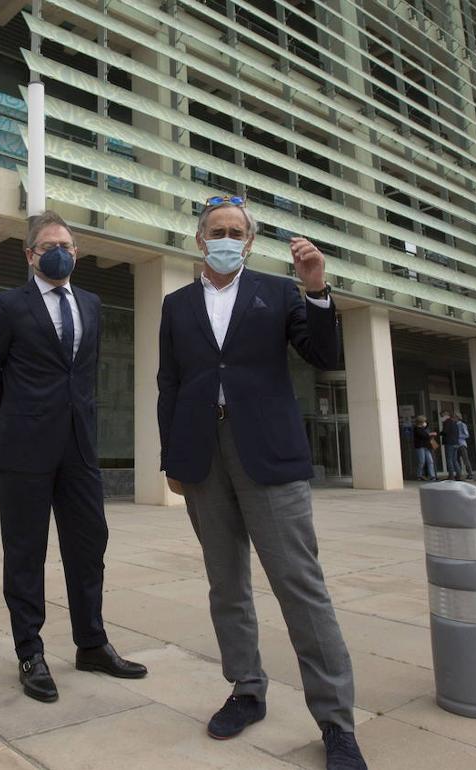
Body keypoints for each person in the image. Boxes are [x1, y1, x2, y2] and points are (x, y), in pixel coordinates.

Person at [157, 196, 368, 770]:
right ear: (200, 240)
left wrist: (317, 289)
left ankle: (336, 723)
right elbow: (169, 384)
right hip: (203, 458)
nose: (226, 238)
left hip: (269, 457)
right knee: (226, 584)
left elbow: (324, 354)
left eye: (236, 231)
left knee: (300, 587)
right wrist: (170, 458)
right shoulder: (176, 305)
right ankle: (246, 690)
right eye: (216, 230)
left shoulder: (277, 293)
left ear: (249, 243)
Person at [0, 210, 146, 704]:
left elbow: (83, 375)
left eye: (68, 245)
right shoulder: (8, 305)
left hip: (80, 448)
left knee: (89, 547)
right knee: (25, 553)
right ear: (30, 255)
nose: (61, 252)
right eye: (51, 244)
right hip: (26, 449)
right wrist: (21, 416)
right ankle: (30, 651)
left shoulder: (91, 303)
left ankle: (91, 643)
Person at [413, 416, 436, 481]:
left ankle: (432, 475)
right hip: (420, 447)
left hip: (426, 447)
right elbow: (423, 435)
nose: (425, 423)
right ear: (421, 422)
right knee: (422, 461)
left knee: (430, 461)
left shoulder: (424, 428)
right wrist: (430, 434)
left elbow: (427, 427)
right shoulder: (417, 429)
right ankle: (419, 475)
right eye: (424, 421)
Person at [440, 411, 461, 481]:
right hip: (456, 443)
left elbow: (445, 432)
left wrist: (439, 433)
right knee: (455, 460)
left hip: (449, 443)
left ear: (446, 415)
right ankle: (458, 475)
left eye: (442, 415)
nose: (441, 417)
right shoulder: (454, 422)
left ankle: (451, 476)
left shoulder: (447, 422)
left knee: (449, 459)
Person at [455, 412, 473, 480]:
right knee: (457, 460)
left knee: (465, 460)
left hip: (462, 444)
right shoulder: (454, 425)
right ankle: (458, 475)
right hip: (455, 445)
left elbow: (466, 435)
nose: (453, 418)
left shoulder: (462, 425)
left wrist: (457, 436)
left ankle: (470, 474)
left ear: (457, 417)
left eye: (454, 417)